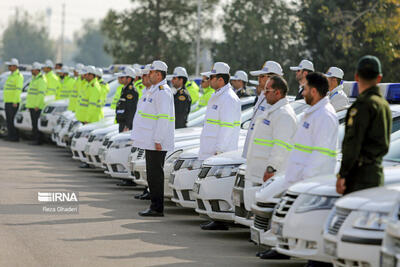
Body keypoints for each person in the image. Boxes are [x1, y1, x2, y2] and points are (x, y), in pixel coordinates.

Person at [260, 72, 338, 261]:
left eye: (304, 89)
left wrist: (306, 179)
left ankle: (317, 261)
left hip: (310, 181)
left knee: (312, 222)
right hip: (297, 179)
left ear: (314, 90)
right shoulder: (312, 112)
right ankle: (282, 249)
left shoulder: (325, 115)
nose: (301, 93)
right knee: (290, 219)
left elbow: (321, 154)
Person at [336, 56, 392, 195]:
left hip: (359, 177)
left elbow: (352, 143)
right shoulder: (384, 105)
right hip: (376, 173)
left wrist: (342, 174)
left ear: (356, 77)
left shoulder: (362, 105)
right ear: (379, 78)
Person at [198, 62, 241, 230]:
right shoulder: (217, 95)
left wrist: (220, 150)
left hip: (219, 150)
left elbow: (227, 127)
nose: (209, 80)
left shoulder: (229, 98)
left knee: (219, 184)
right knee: (211, 184)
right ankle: (215, 217)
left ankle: (221, 220)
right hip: (210, 148)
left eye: (212, 77)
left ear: (221, 80)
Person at [131, 60, 175, 217]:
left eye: (151, 73)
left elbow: (163, 118)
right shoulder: (154, 90)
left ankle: (157, 208)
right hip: (150, 140)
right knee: (152, 174)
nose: (148, 75)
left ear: (158, 74)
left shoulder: (163, 91)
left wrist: (158, 139)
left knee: (155, 175)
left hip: (156, 142)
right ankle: (154, 205)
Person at [246, 75, 297, 188]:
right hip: (259, 174)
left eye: (267, 90)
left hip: (269, 176)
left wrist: (271, 168)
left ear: (277, 93)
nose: (264, 93)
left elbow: (280, 145)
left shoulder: (284, 115)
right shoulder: (274, 111)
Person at [243, 60, 284, 157]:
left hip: (262, 157)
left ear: (272, 78)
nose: (259, 79)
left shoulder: (275, 100)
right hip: (252, 154)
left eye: (262, 76)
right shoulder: (262, 96)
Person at [133, 64, 153, 200]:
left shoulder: (156, 92)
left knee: (153, 168)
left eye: (145, 76)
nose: (142, 78)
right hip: (144, 135)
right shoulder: (146, 91)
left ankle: (151, 191)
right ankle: (147, 188)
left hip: (151, 137)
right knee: (146, 165)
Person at [26, 62, 47, 145]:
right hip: (32, 105)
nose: (31, 71)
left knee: (36, 124)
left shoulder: (41, 80)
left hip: (36, 106)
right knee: (34, 123)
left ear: (37, 70)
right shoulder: (34, 79)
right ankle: (35, 139)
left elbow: (41, 94)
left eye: (33, 70)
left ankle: (38, 140)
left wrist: (37, 105)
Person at [3, 58, 24, 142]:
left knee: (12, 120)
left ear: (15, 66)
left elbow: (18, 90)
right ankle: (10, 135)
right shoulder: (10, 75)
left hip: (13, 102)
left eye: (10, 66)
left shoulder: (18, 76)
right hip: (8, 101)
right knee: (8, 120)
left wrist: (15, 101)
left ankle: (14, 137)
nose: (8, 67)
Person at [116, 67, 139, 133]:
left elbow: (131, 110)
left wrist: (127, 126)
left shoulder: (131, 92)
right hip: (122, 122)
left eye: (122, 77)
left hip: (126, 125)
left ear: (129, 79)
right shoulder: (125, 89)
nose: (119, 79)